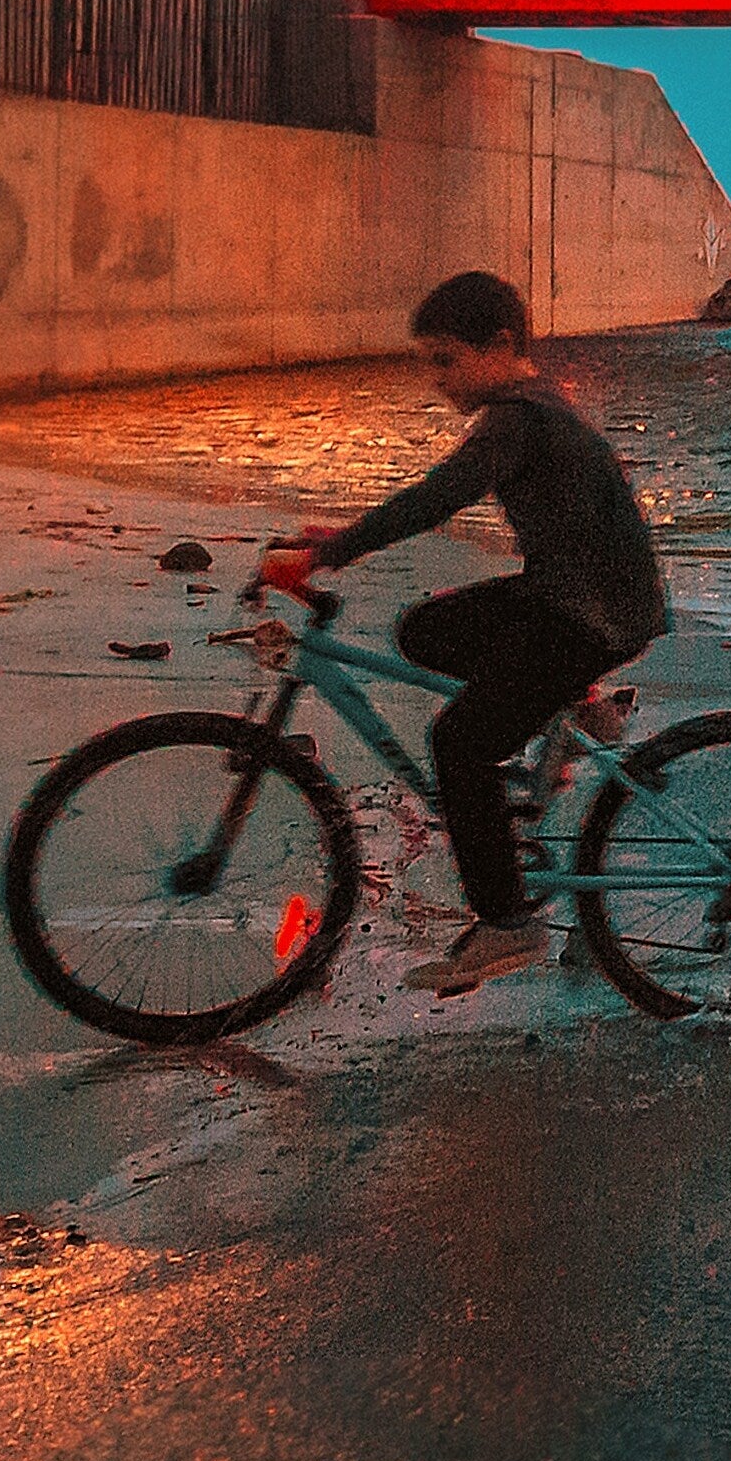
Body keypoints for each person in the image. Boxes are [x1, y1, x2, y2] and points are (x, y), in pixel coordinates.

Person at [260, 270, 670, 997]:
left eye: (447, 360)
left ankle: (509, 924)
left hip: (591, 614)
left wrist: (332, 550)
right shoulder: (534, 407)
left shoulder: (517, 419)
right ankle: (574, 704)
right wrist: (340, 540)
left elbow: (438, 497)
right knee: (426, 629)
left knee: (460, 744)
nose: (438, 380)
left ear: (502, 345)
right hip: (583, 601)